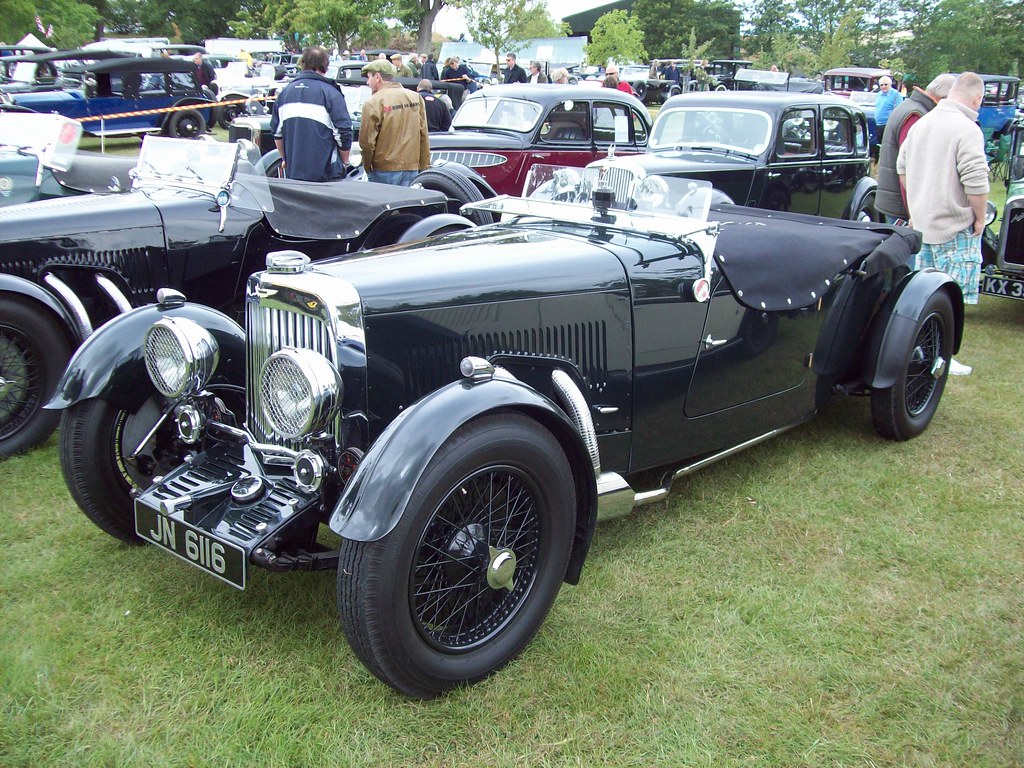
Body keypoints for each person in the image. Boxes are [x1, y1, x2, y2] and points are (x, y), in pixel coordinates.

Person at [897, 72, 989, 376]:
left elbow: (902, 169)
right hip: (954, 226)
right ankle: (944, 357)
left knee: (924, 297)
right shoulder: (967, 128)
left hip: (923, 223)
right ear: (976, 98)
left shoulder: (923, 122)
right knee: (951, 298)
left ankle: (922, 350)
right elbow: (976, 180)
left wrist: (916, 207)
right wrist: (979, 217)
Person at [876, 73, 955, 224]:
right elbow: (910, 167)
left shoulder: (912, 107)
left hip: (898, 201)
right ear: (945, 98)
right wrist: (915, 211)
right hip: (902, 207)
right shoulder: (916, 115)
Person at [270, 45, 353, 182]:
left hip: (294, 173)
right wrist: (344, 162)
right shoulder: (331, 93)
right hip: (326, 175)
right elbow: (344, 132)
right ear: (325, 65)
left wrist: (286, 159)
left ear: (303, 64)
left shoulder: (285, 93)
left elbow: (277, 133)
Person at [359, 59, 430, 185]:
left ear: (377, 77)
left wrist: (367, 166)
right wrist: (424, 166)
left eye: (369, 77)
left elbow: (367, 142)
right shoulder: (415, 97)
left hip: (384, 169)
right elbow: (423, 134)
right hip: (412, 167)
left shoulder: (373, 102)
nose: (367, 82)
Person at [873, 75, 903, 159]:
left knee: (888, 146)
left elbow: (898, 111)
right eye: (881, 85)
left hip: (888, 124)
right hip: (878, 124)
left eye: (885, 84)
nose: (883, 86)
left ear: (890, 84)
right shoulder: (879, 94)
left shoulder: (897, 95)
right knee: (880, 144)